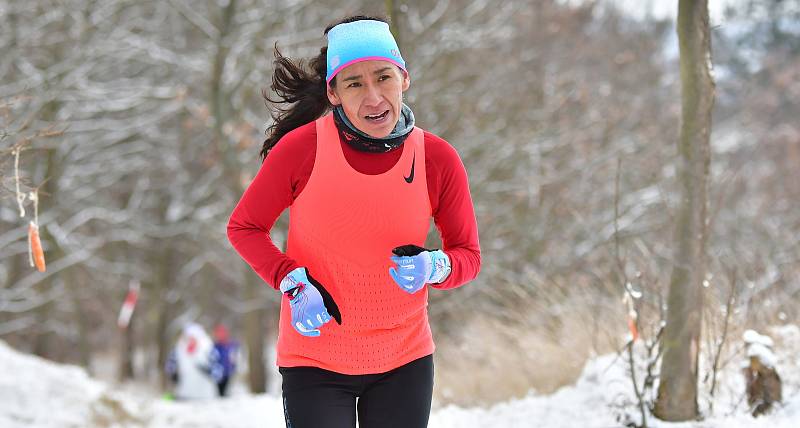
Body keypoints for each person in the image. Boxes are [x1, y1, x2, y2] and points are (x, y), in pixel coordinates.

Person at [227, 15, 480, 428]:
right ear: (333, 93)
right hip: (315, 361)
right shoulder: (301, 149)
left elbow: (468, 255)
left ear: (404, 79)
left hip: (404, 361)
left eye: (384, 78)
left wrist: (435, 266)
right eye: (354, 83)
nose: (374, 97)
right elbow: (244, 227)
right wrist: (291, 280)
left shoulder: (437, 159)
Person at [165, 323, 220, 400]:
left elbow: (218, 371)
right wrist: (173, 375)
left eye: (194, 338)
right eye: (188, 338)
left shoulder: (208, 349)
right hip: (184, 394)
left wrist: (209, 371)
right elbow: (170, 365)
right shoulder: (179, 349)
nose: (191, 341)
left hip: (205, 396)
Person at [212, 323, 239, 397]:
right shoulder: (215, 346)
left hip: (229, 372)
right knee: (220, 393)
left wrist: (233, 367)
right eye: (218, 333)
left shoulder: (232, 345)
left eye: (222, 333)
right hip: (218, 373)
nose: (221, 335)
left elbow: (235, 357)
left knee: (227, 392)